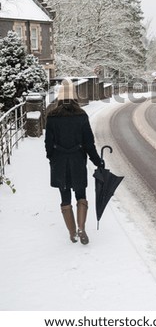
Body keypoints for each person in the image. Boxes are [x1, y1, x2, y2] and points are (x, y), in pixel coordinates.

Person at [45, 79, 104, 245]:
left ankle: (72, 232)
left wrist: (52, 158)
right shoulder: (81, 116)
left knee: (65, 196)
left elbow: (48, 143)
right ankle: (81, 228)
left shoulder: (52, 117)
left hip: (59, 162)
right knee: (80, 194)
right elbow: (89, 144)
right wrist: (97, 161)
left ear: (60, 98)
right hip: (78, 160)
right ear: (74, 97)